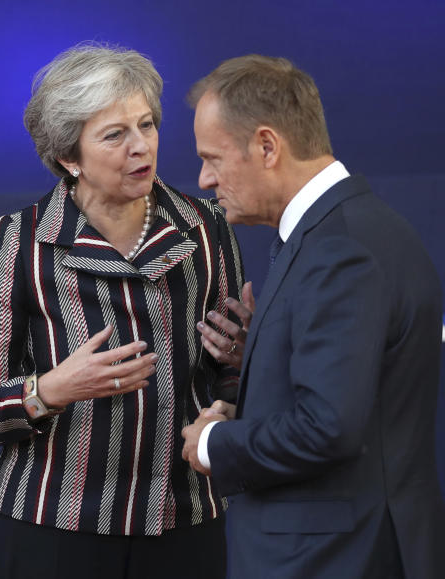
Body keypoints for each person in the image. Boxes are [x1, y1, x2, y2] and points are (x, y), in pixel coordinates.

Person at [0, 43, 245, 579]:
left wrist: (232, 395)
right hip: (55, 529)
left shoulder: (207, 227)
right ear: (69, 156)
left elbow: (231, 369)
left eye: (147, 124)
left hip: (184, 521)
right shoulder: (21, 241)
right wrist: (51, 389)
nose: (142, 147)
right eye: (115, 134)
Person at [181, 54, 445, 578]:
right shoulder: (344, 233)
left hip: (332, 561)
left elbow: (328, 428)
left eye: (213, 158)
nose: (204, 179)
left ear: (266, 146)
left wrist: (212, 443)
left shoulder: (338, 252)